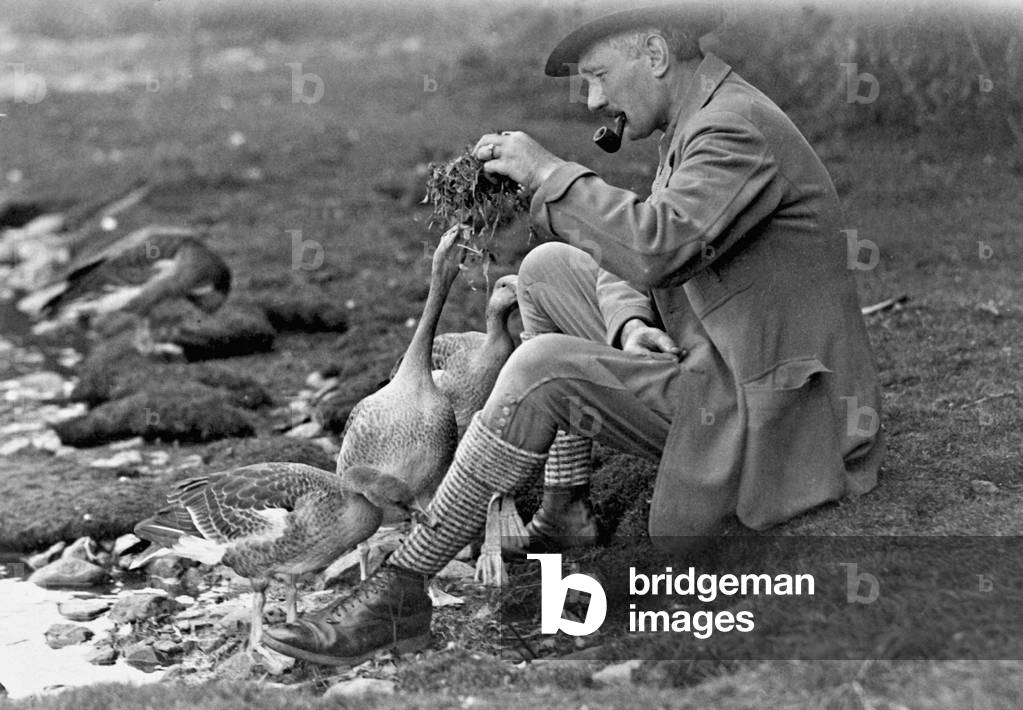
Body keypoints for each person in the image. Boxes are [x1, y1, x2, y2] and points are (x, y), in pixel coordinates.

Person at [264, 4, 885, 665]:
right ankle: (564, 503)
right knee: (544, 269)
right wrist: (630, 321)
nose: (592, 99)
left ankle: (402, 588)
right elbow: (648, 241)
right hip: (712, 354)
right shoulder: (701, 117)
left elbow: (656, 247)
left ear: (651, 53)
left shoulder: (733, 130)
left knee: (542, 367)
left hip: (777, 415)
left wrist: (546, 174)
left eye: (596, 76)